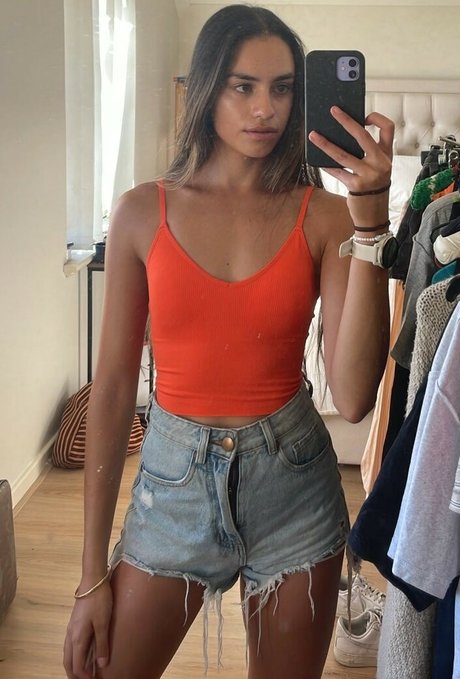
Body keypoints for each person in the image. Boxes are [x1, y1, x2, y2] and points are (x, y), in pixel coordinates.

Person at [63, 5, 394, 679]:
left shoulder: (327, 216)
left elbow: (355, 395)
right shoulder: (140, 212)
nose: (265, 108)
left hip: (295, 487)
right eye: (244, 86)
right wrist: (91, 574)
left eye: (282, 88)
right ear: (208, 88)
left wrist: (372, 224)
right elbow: (114, 389)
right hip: (172, 489)